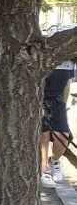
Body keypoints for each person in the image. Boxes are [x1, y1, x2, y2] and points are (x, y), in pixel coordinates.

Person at [41, 59, 76, 188]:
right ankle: (43, 171)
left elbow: (67, 84)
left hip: (58, 102)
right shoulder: (48, 56)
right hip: (41, 99)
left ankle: (54, 161)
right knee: (43, 136)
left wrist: (63, 105)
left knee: (63, 137)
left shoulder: (70, 62)